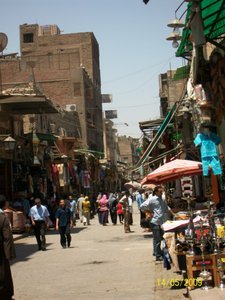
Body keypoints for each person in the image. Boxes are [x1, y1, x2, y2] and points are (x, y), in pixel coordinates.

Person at [140, 186, 172, 261]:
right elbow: (142, 206)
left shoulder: (162, 199)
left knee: (161, 238)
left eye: (162, 192)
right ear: (156, 192)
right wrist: (149, 212)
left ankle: (156, 252)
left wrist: (172, 214)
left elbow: (166, 208)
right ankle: (158, 255)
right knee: (157, 239)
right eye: (160, 192)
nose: (161, 193)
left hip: (162, 221)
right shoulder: (152, 199)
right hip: (155, 221)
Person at [0, 196, 16, 300]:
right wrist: (8, 254)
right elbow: (7, 237)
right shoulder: (2, 217)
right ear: (5, 204)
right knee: (3, 275)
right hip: (1, 252)